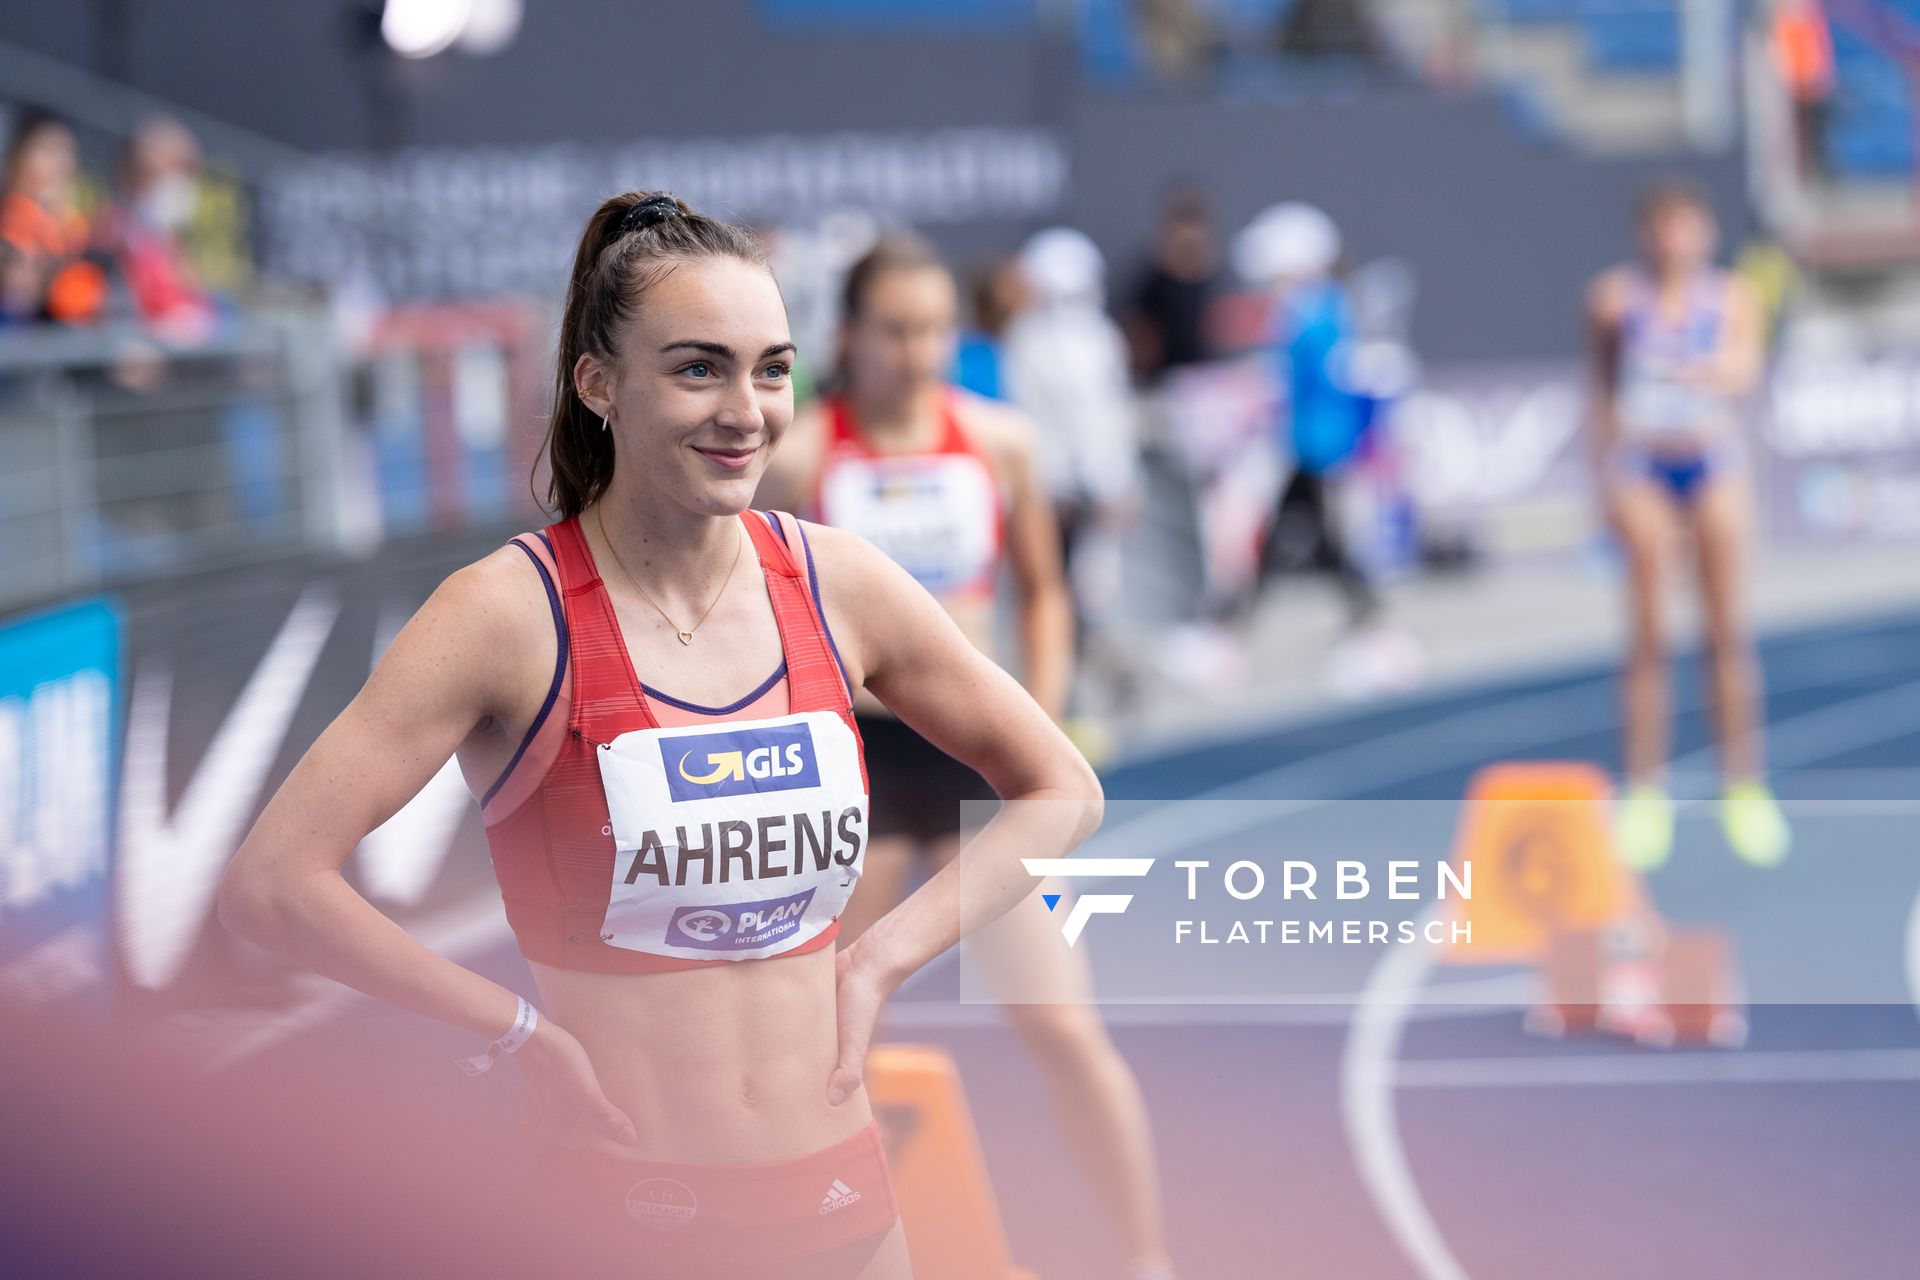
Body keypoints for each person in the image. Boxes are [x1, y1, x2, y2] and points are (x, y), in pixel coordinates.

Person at [216, 191, 1105, 1279]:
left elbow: (1062, 787)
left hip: (847, 1207)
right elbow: (272, 881)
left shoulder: (841, 583)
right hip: (617, 1218)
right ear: (600, 385)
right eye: (699, 368)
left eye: (772, 368)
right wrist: (514, 1030)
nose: (747, 410)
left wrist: (878, 959)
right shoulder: (506, 613)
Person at [757, 231, 1179, 1280]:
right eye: (897, 329)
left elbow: (1043, 585)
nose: (920, 349)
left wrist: (1038, 708)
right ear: (851, 336)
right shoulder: (804, 456)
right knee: (829, 1046)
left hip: (976, 768)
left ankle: (1145, 1255)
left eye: (937, 327)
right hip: (857, 769)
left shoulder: (999, 442)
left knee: (1067, 1031)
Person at [1586, 180, 1790, 870]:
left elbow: (1746, 366)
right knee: (1647, 639)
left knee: (1726, 633)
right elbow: (1602, 392)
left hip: (1710, 465)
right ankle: (1645, 791)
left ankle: (1744, 785)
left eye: (1686, 226)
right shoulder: (1615, 299)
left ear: (1704, 231)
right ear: (1646, 233)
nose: (1674, 241)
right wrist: (1603, 486)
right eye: (1662, 227)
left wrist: (1712, 371)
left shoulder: (1732, 297)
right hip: (1644, 467)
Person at [0, 108, 107, 327]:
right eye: (49, 151)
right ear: (16, 156)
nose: (61, 164)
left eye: (67, 153)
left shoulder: (75, 224)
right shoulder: (10, 220)